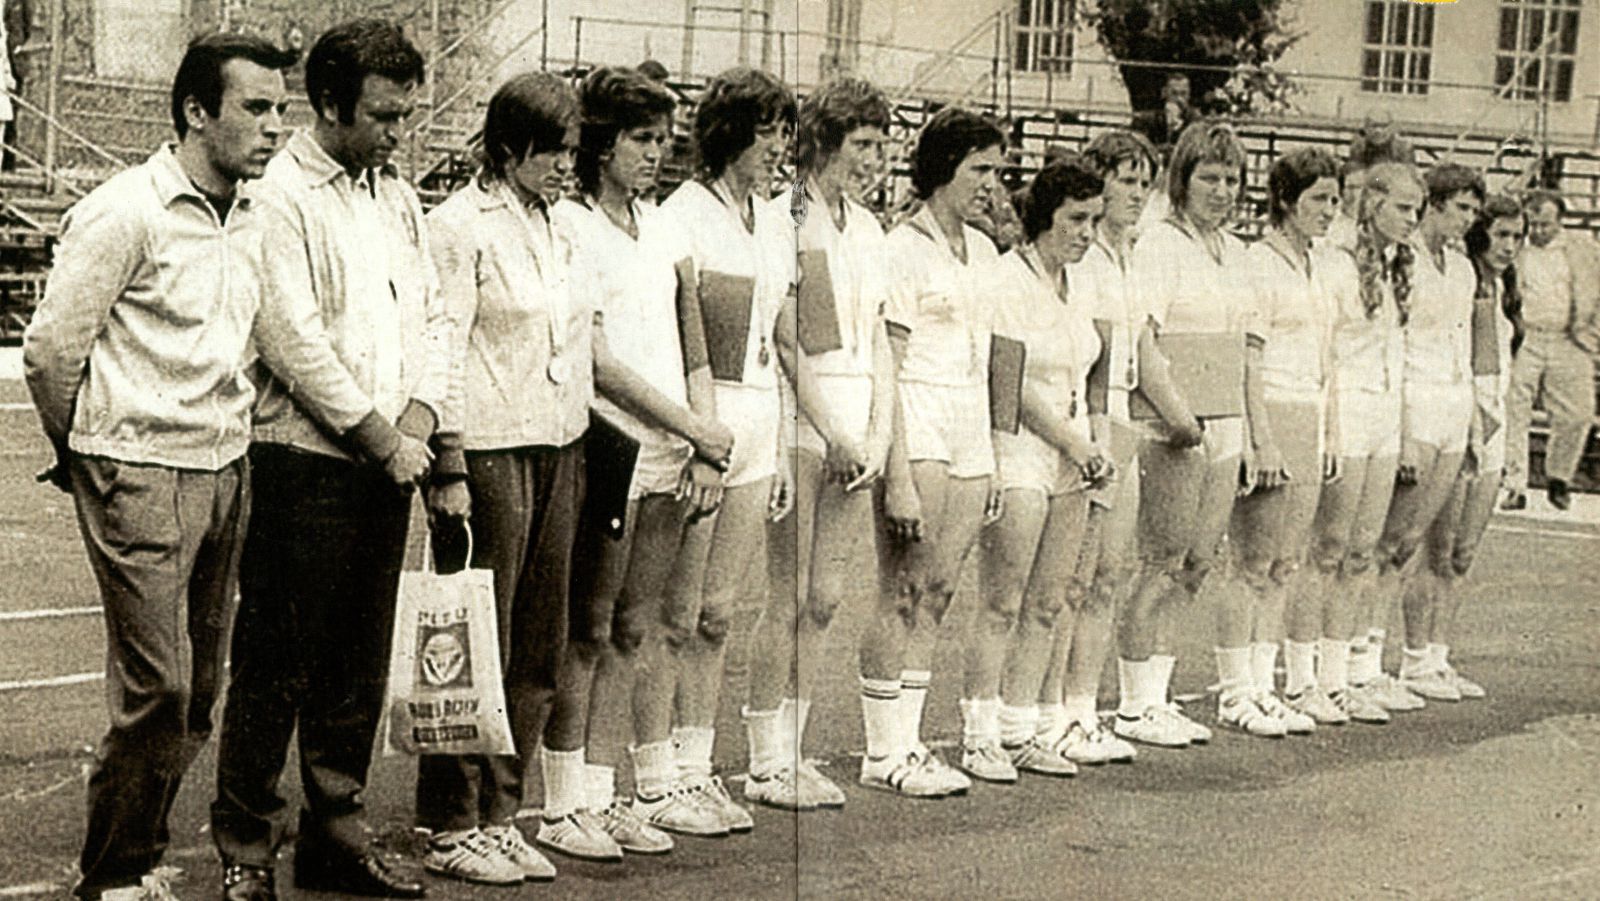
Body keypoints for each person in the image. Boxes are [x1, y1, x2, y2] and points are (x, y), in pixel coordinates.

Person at [21, 33, 292, 901]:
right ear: (196, 112)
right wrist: (87, 452)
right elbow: (51, 352)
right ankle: (113, 875)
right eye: (257, 107)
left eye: (281, 109)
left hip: (225, 466)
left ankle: (139, 856)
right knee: (158, 688)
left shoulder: (252, 215)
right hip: (137, 468)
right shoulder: (125, 211)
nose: (275, 126)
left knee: (201, 689)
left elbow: (253, 341)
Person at [210, 20, 443, 900]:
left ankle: (336, 833)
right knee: (277, 660)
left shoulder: (397, 196)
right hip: (304, 463)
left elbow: (434, 316)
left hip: (391, 461)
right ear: (332, 104)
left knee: (357, 661)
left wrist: (419, 417)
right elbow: (291, 340)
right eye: (383, 116)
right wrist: (382, 435)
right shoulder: (280, 195)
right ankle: (246, 848)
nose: (397, 132)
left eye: (406, 115)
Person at [412, 71, 643, 885]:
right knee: (475, 637)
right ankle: (450, 820)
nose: (565, 166)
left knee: (540, 643)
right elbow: (441, 344)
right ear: (509, 148)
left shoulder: (565, 227)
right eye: (551, 152)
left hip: (561, 445)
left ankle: (499, 813)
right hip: (487, 451)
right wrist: (447, 460)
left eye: (572, 152)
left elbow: (578, 342)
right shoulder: (457, 226)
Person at [545, 64, 732, 854]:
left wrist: (704, 442)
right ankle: (562, 804)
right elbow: (598, 360)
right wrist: (689, 424)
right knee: (586, 625)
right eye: (641, 138)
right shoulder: (570, 226)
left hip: (672, 452)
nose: (656, 153)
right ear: (602, 143)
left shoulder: (665, 228)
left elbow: (695, 342)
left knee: (634, 625)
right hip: (608, 446)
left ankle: (606, 793)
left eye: (663, 139)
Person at [653, 65, 796, 834]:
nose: (779, 147)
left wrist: (781, 447)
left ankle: (696, 766)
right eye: (767, 131)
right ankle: (659, 778)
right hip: (702, 428)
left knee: (718, 614)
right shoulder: (681, 215)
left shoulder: (772, 218)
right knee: (675, 612)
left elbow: (777, 339)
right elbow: (684, 344)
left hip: (760, 431)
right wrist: (702, 442)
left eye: (785, 133)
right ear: (730, 134)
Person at [746, 76, 893, 810]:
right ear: (825, 141)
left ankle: (793, 752)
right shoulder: (784, 219)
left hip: (855, 436)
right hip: (804, 429)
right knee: (789, 595)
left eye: (881, 144)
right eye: (862, 143)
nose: (874, 159)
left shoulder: (868, 229)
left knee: (827, 599)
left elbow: (879, 341)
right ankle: (764, 762)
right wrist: (832, 429)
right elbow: (784, 338)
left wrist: (874, 437)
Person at [862, 106, 1002, 795]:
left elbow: (990, 360)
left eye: (997, 171)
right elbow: (886, 363)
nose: (991, 184)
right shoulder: (901, 248)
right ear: (945, 167)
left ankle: (909, 742)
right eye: (980, 169)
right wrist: (897, 475)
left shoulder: (986, 251)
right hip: (916, 420)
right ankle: (881, 752)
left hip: (969, 425)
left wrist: (992, 453)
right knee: (904, 588)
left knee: (940, 592)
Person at [979, 155, 1115, 779]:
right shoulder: (1007, 279)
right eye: (1077, 219)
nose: (1088, 233)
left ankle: (1021, 731)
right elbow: (1010, 384)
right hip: (1021, 451)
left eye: (1095, 221)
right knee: (1003, 601)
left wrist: (1092, 443)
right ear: (1045, 217)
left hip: (1073, 456)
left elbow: (1091, 373)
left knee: (1048, 602)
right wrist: (1074, 443)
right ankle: (981, 736)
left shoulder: (1082, 284)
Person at [1070, 130, 1189, 755]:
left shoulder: (1133, 259)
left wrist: (1181, 419)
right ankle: (1059, 713)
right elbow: (1094, 358)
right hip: (1091, 422)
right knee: (1081, 577)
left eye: (1145, 182)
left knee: (1109, 575)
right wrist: (1099, 433)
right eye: (1125, 180)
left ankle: (1083, 711)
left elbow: (1143, 350)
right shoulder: (1085, 259)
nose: (1137, 193)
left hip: (1126, 418)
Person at [1305, 162, 1424, 721]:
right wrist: (1328, 428)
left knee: (1361, 552)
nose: (1411, 218)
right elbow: (1324, 353)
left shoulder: (1401, 265)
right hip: (1345, 414)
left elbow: (1397, 356)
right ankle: (1304, 677)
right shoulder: (1334, 261)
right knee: (1326, 549)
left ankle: (1340, 676)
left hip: (1382, 419)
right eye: (1402, 207)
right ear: (1373, 204)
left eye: (1417, 209)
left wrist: (1401, 432)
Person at [1394, 193, 1524, 704]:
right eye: (1501, 234)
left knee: (1464, 553)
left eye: (1517, 237)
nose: (1509, 245)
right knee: (1435, 546)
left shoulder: (1500, 288)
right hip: (1463, 414)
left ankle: (1438, 657)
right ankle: (1414, 657)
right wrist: (1473, 424)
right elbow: (1469, 360)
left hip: (1494, 420)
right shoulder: (1464, 283)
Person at [1230, 148, 1341, 732]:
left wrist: (1327, 432)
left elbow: (1325, 359)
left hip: (1307, 414)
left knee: (1284, 563)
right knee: (1252, 561)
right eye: (1319, 198)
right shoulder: (1258, 262)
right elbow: (1249, 356)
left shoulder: (1316, 263)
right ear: (1286, 200)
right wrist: (1261, 439)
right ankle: (1238, 692)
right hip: (1270, 411)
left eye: (1335, 199)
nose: (1330, 209)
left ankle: (1264, 685)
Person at [1370, 163, 1483, 702]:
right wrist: (1406, 427)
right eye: (1460, 207)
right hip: (1415, 405)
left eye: (1474, 210)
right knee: (1389, 543)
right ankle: (1361, 664)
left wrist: (1472, 423)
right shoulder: (1402, 259)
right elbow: (1395, 344)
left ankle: (1410, 666)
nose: (1469, 219)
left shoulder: (1462, 268)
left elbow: (1463, 347)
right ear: (1433, 205)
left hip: (1453, 412)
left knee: (1413, 542)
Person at [1503, 190, 1600, 511]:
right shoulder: (1514, 248)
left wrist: (1592, 334)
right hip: (1525, 337)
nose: (1538, 231)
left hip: (1569, 338)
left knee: (1578, 413)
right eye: (1533, 224)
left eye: (1545, 224)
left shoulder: (1584, 250)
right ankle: (1514, 483)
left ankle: (1559, 476)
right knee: (1514, 409)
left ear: (1560, 221)